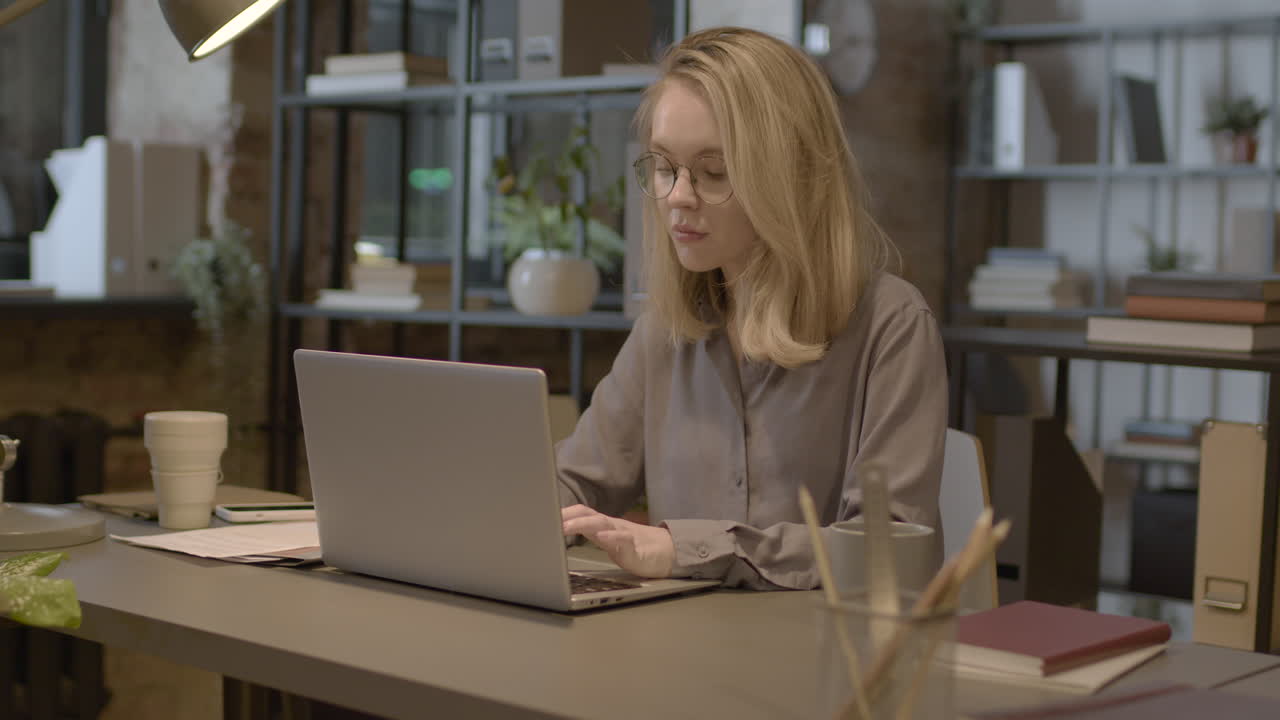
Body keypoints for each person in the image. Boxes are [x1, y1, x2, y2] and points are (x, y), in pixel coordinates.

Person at [556, 26, 947, 590]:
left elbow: (884, 546)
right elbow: (576, 484)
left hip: (829, 659)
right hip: (685, 651)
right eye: (665, 168)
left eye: (715, 172)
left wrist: (685, 549)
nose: (678, 197)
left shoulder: (891, 325)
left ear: (792, 177)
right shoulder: (662, 331)